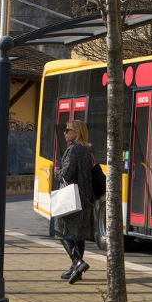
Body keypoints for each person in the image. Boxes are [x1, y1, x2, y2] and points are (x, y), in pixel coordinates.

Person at [55, 120, 95, 284]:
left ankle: (77, 261)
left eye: (67, 130)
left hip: (72, 196)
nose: (64, 133)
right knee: (79, 235)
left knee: (60, 229)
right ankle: (75, 270)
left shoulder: (74, 150)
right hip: (85, 197)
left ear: (76, 133)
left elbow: (67, 174)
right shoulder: (87, 150)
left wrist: (56, 172)